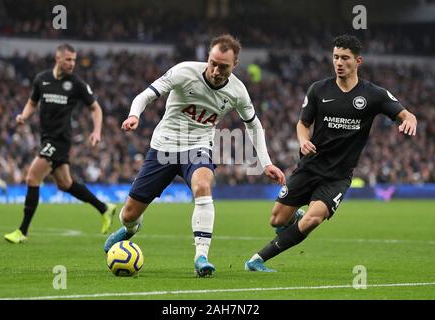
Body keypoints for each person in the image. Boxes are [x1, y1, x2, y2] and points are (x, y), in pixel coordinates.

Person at [104, 34, 285, 277]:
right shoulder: (184, 71)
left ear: (235, 65)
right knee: (129, 214)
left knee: (202, 185)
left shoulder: (238, 91)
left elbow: (253, 125)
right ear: (207, 57)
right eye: (213, 62)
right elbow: (145, 95)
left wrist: (266, 163)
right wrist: (134, 114)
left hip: (198, 146)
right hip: (164, 146)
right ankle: (130, 229)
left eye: (224, 66)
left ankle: (201, 256)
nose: (216, 70)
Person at [245, 34, 417, 272]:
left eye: (345, 58)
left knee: (312, 219)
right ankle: (293, 219)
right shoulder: (318, 89)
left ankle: (257, 260)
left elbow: (405, 114)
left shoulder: (374, 94)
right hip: (310, 165)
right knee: (277, 220)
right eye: (335, 57)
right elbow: (303, 123)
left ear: (358, 61)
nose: (338, 62)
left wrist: (410, 120)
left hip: (338, 175)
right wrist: (303, 141)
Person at [4, 44, 116, 244]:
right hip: (46, 137)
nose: (72, 63)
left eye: (74, 60)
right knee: (65, 184)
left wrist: (96, 131)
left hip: (60, 139)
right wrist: (24, 115)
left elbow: (95, 108)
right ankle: (104, 208)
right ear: (58, 58)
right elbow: (32, 102)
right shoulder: (42, 79)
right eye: (68, 59)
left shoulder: (76, 84)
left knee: (32, 177)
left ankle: (22, 231)